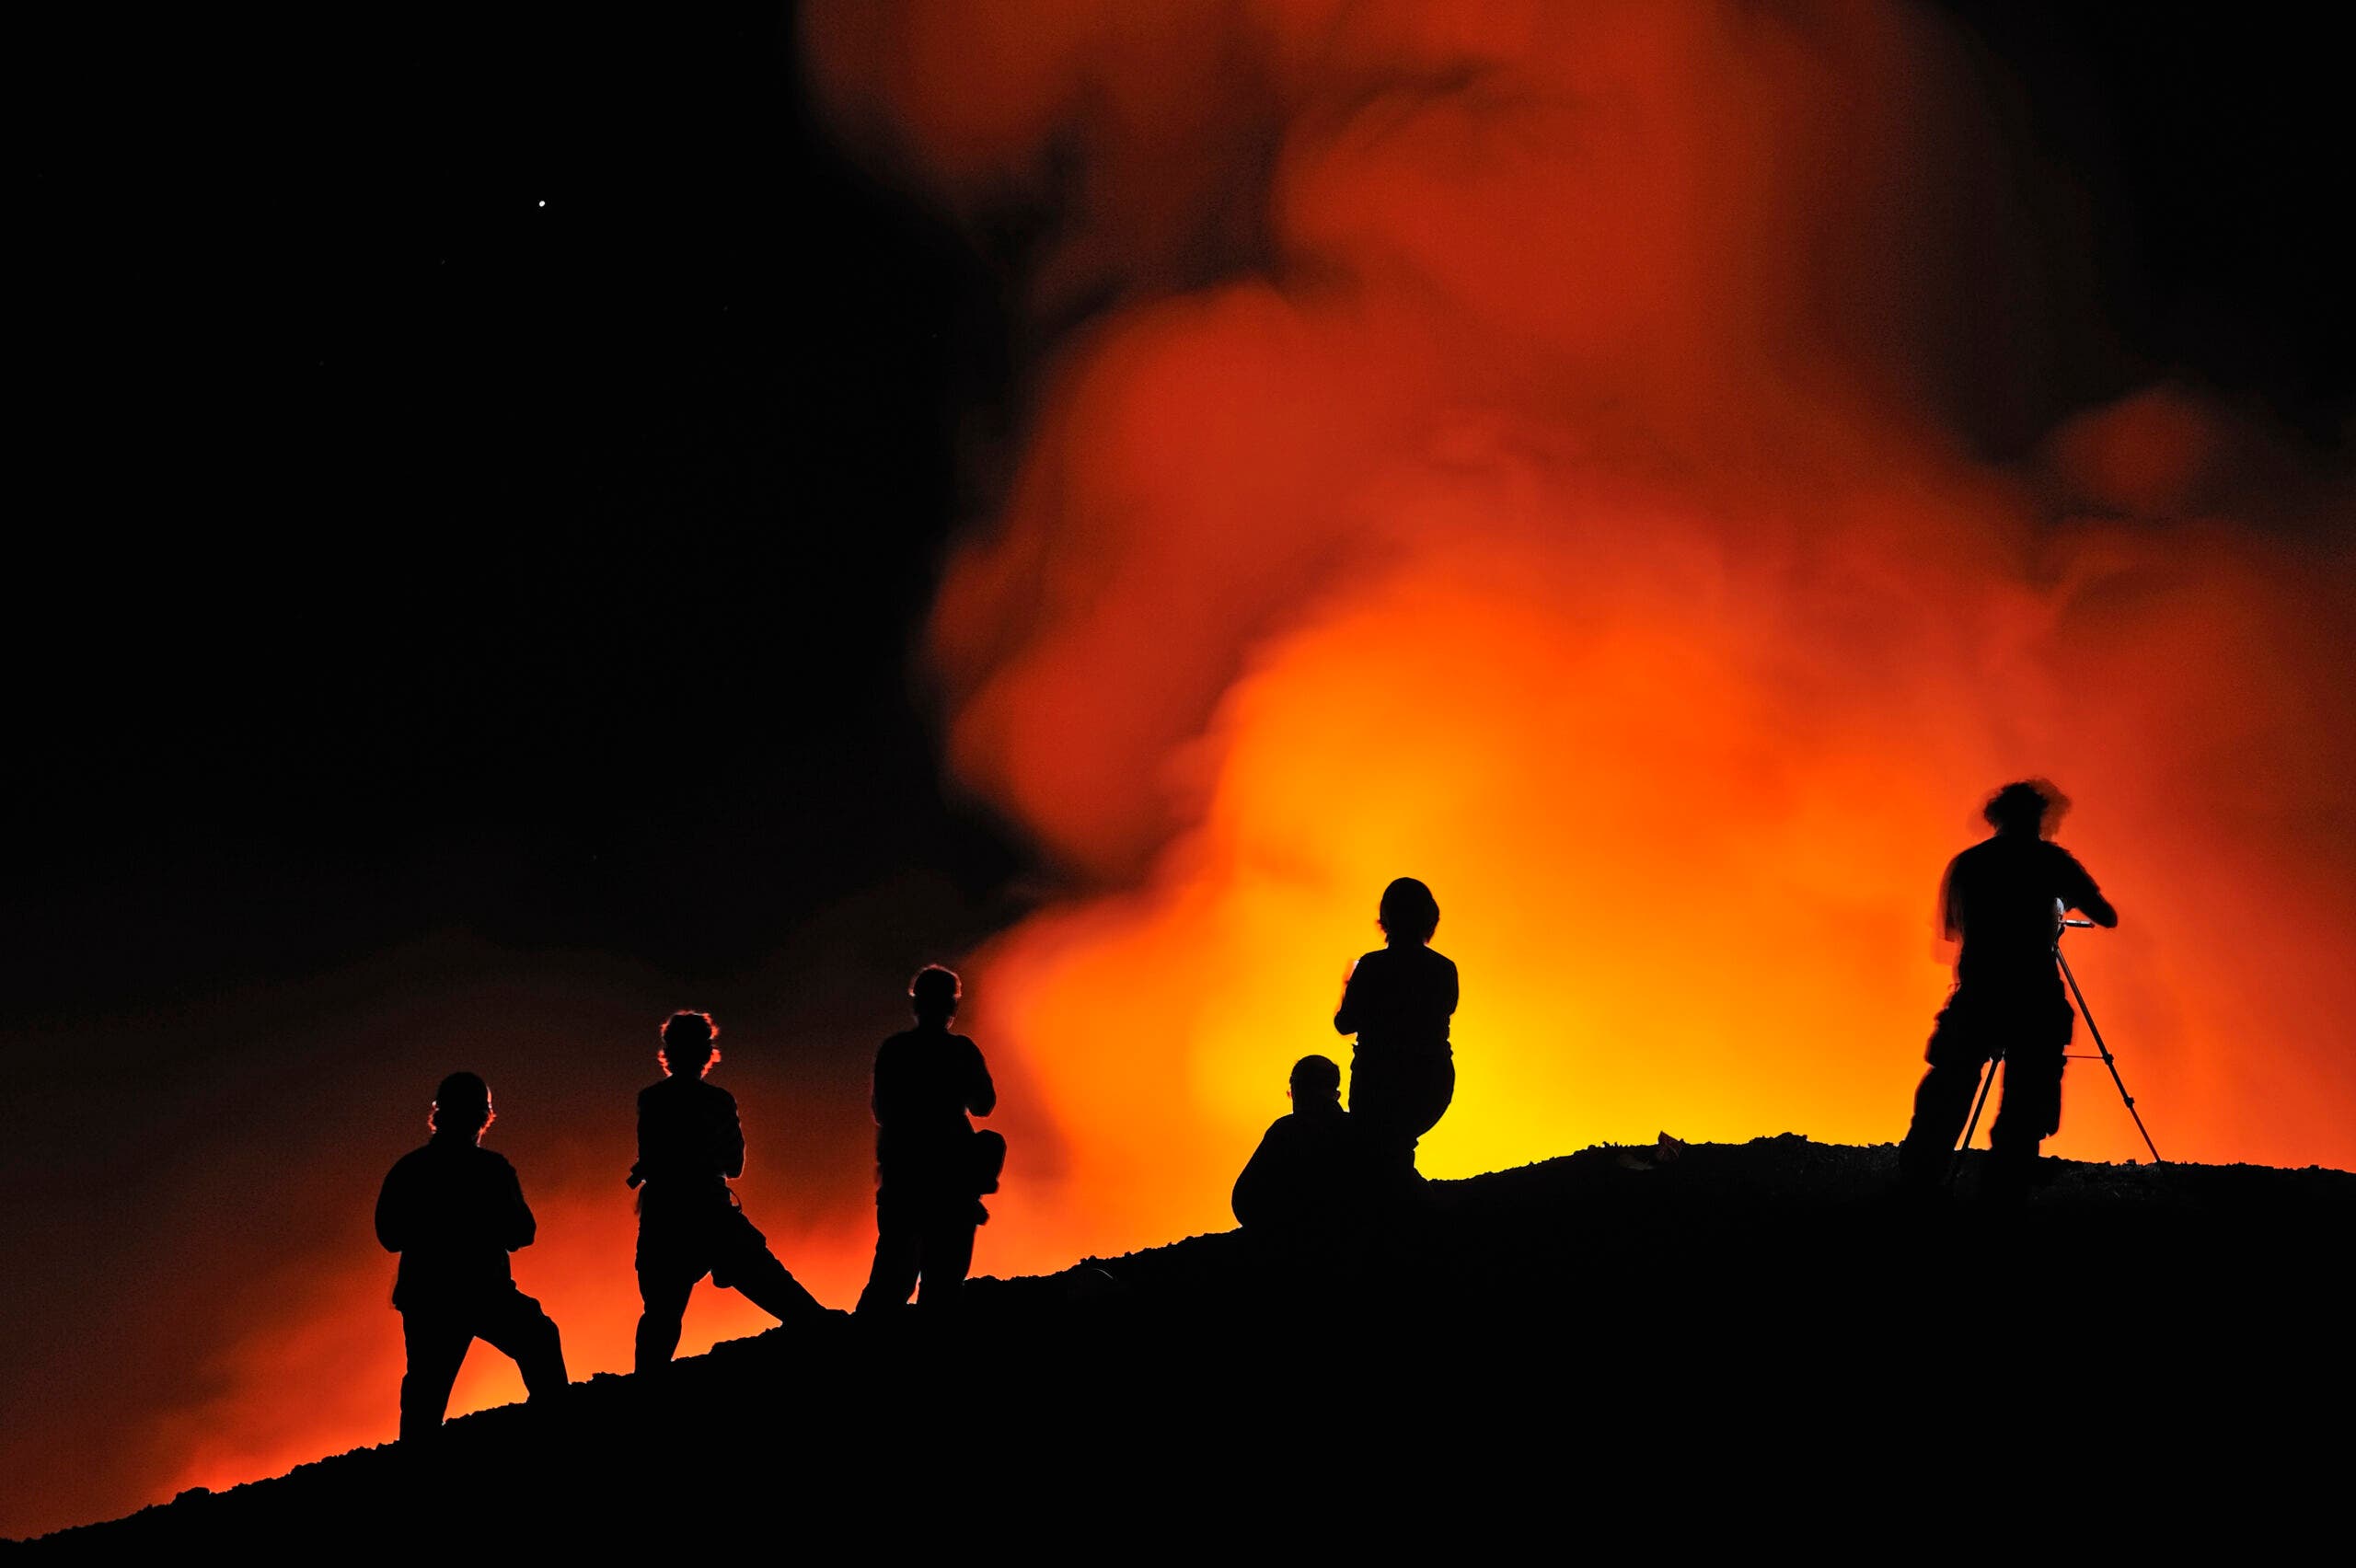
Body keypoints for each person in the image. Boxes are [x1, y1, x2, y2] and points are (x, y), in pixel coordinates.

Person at [1897, 781, 2119, 1202]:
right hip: (2035, 998)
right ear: (2040, 817)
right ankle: (2003, 1195)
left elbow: (1949, 934)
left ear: (1996, 817)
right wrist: (2056, 908)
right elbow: (2106, 916)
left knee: (1948, 1087)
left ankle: (1918, 1184)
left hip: (1977, 994)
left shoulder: (1967, 864)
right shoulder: (2052, 861)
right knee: (2027, 1100)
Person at [375, 1071, 568, 1443]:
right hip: (484, 1293)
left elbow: (389, 1235)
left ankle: (410, 1464)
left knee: (425, 1394)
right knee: (539, 1339)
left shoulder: (410, 1169)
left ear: (439, 1114)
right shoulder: (492, 1169)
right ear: (484, 1117)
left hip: (429, 1299)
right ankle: (558, 1434)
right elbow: (522, 1232)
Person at [630, 1010, 826, 1371]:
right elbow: (734, 1165)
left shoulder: (652, 1100)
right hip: (711, 1216)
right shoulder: (718, 1102)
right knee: (791, 1302)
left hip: (665, 1220)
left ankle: (643, 1391)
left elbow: (653, 1159)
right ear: (707, 1053)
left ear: (668, 1053)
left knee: (660, 1321)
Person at [855, 966, 1001, 1315]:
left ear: (916, 1005)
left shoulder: (895, 1050)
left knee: (890, 1282)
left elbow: (881, 1111)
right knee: (943, 1284)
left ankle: (859, 1342)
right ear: (952, 1006)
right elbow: (984, 1105)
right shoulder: (961, 1051)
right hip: (951, 1185)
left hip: (903, 1180)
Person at [1334, 877, 1459, 1189]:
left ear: (1386, 919)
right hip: (1431, 1083)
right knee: (1394, 1151)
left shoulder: (1372, 966)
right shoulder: (1445, 969)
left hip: (1377, 1082)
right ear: (1429, 919)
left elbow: (1345, 1024)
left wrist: (1348, 988)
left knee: (1377, 1157)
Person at [1231, 1055, 1373, 1250]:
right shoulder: (1359, 1130)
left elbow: (1245, 1199)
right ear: (1336, 1094)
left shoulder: (1285, 1131)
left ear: (1299, 1088)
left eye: (1294, 1089)